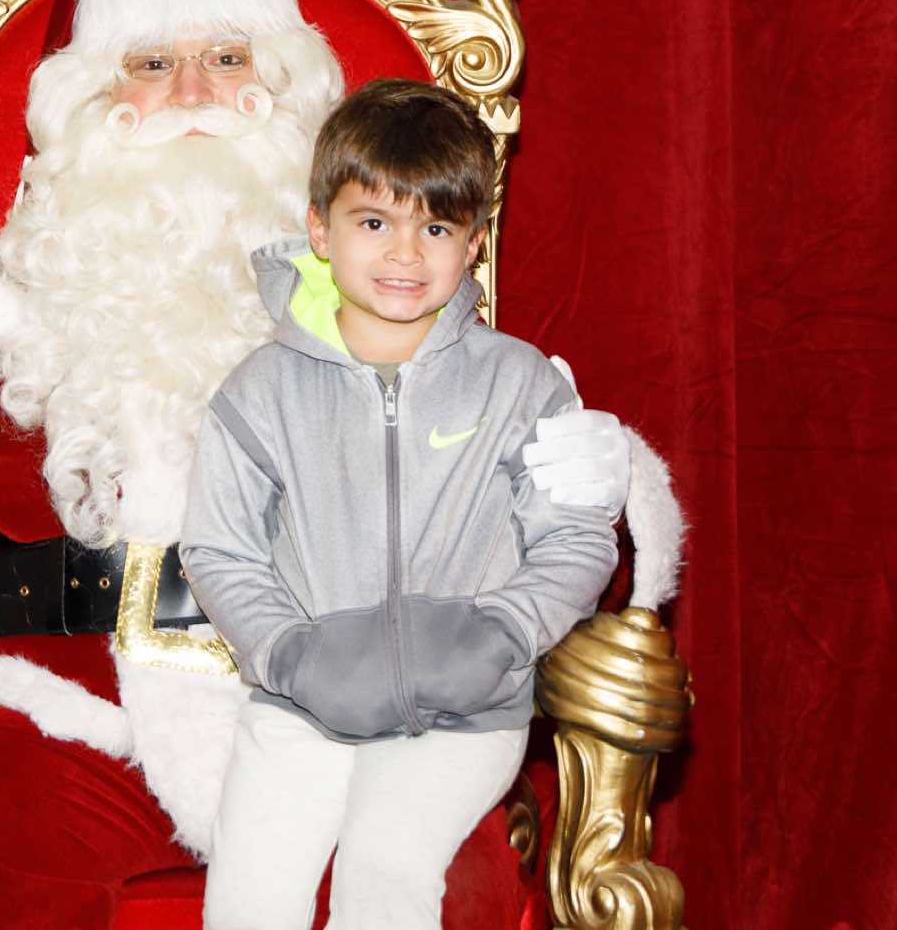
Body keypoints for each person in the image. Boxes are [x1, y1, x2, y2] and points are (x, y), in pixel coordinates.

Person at [0, 0, 634, 930]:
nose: (193, 94)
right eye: (151, 64)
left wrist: (582, 482)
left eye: (228, 58)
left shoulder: (388, 296)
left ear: (285, 87)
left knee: (442, 884)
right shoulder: (7, 307)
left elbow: (537, 516)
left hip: (341, 702)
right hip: (64, 714)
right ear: (89, 103)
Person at [180, 79, 620, 930]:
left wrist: (500, 634)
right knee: (248, 900)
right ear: (321, 228)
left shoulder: (520, 383)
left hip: (464, 711)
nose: (406, 255)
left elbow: (576, 538)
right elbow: (220, 550)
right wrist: (292, 654)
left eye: (437, 228)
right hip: (300, 704)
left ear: (474, 242)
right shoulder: (259, 391)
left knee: (384, 870)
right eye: (374, 222)